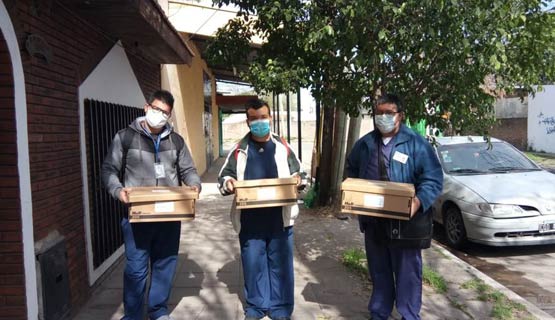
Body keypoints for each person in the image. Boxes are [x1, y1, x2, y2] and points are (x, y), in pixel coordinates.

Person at [102, 90, 202, 320]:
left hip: (169, 216)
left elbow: (188, 169)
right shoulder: (125, 137)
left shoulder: (176, 140)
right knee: (136, 270)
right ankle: (133, 315)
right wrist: (118, 191)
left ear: (169, 115)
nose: (159, 115)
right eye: (156, 109)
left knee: (165, 265)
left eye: (165, 113)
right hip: (137, 216)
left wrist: (194, 185)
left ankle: (158, 310)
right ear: (146, 107)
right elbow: (108, 170)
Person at [345, 94, 443, 320]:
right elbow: (351, 169)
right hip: (374, 221)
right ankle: (379, 313)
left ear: (400, 115)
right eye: (379, 113)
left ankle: (408, 314)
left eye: (388, 113)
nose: (383, 117)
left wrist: (418, 202)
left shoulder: (416, 144)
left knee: (408, 273)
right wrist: (356, 194)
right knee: (379, 271)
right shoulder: (365, 144)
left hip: (406, 223)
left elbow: (433, 178)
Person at [218, 98, 305, 320]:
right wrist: (228, 184)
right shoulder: (239, 149)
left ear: (270, 118)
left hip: (280, 218)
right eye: (254, 118)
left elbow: (302, 174)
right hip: (250, 219)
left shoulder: (282, 146)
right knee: (253, 263)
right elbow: (224, 175)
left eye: (263, 117)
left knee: (281, 265)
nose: (259, 122)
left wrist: (298, 181)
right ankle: (256, 306)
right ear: (248, 121)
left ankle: (281, 308)